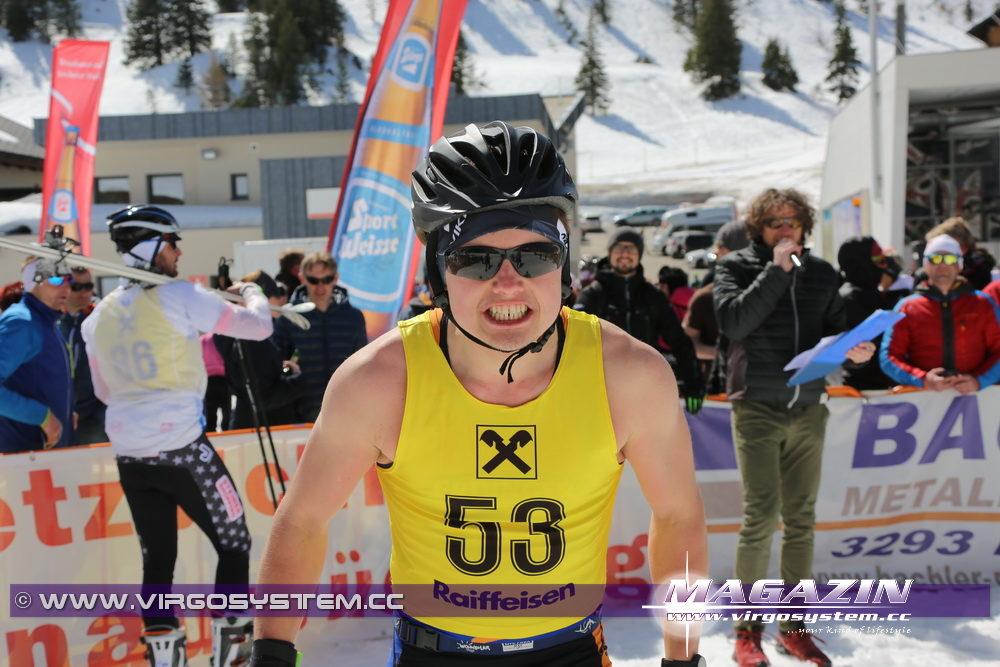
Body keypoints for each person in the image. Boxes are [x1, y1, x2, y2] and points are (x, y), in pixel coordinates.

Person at [251, 121, 708, 667]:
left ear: (564, 264)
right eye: (475, 258)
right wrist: (272, 654)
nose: (509, 283)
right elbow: (302, 520)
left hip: (571, 652)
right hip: (433, 655)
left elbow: (678, 515)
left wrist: (684, 659)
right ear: (438, 274)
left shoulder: (629, 374)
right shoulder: (378, 380)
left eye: (536, 255)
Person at [81, 205, 274, 667]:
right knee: (235, 543)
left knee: (158, 560)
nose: (179, 253)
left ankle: (165, 657)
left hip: (131, 454)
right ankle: (232, 650)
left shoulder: (97, 317)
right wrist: (253, 292)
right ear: (150, 248)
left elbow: (104, 390)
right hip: (183, 449)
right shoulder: (182, 295)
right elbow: (259, 326)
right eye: (172, 244)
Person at [713, 188, 874, 667]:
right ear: (759, 228)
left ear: (805, 226)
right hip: (757, 406)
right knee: (761, 517)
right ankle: (747, 632)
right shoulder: (736, 267)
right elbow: (733, 323)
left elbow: (835, 330)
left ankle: (794, 628)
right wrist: (776, 272)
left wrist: (854, 350)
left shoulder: (821, 272)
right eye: (776, 222)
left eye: (793, 222)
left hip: (808, 406)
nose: (786, 230)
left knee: (801, 519)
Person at [574, 227, 706, 413]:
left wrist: (693, 382)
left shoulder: (653, 296)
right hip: (603, 393)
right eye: (619, 248)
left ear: (639, 255)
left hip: (644, 390)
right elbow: (573, 342)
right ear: (610, 253)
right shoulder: (593, 295)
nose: (625, 254)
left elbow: (679, 341)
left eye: (631, 249)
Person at [880, 234, 1000, 393]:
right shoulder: (908, 306)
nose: (942, 265)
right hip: (923, 398)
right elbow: (889, 357)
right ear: (925, 265)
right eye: (935, 259)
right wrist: (922, 379)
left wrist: (979, 380)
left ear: (959, 265)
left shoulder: (982, 303)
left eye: (950, 259)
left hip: (977, 397)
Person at [271, 251, 367, 422]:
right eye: (313, 280)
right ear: (302, 278)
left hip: (346, 411)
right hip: (299, 415)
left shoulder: (353, 317)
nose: (320, 286)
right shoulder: (288, 317)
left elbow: (363, 366)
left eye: (327, 279)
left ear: (335, 278)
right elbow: (276, 365)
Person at [0, 257, 74, 453]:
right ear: (34, 282)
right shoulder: (22, 322)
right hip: (22, 453)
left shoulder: (47, 322)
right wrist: (42, 416)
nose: (66, 288)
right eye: (57, 280)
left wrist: (66, 410)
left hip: (41, 452)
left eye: (69, 280)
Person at [215, 270, 304, 429]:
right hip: (264, 427)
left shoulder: (235, 332)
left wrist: (281, 370)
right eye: (276, 295)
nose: (281, 300)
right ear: (261, 300)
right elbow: (262, 397)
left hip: (249, 424)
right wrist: (297, 380)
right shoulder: (253, 337)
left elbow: (254, 380)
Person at [836, 236, 910, 391]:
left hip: (886, 384)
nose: (884, 264)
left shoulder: (874, 293)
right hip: (866, 388)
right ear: (862, 261)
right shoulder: (851, 298)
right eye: (878, 259)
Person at [682, 220, 749, 394]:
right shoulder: (705, 297)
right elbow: (687, 345)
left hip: (759, 393)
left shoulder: (770, 293)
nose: (716, 253)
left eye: (720, 247)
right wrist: (723, 354)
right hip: (718, 392)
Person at [60, 266, 108, 445]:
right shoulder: (52, 319)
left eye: (88, 287)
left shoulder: (102, 317)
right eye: (76, 287)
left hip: (96, 413)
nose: (83, 293)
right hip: (60, 413)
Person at [925, 217, 995, 290]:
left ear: (963, 247)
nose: (942, 265)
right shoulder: (925, 275)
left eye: (946, 247)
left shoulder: (981, 271)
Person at [202, 333, 231, 432]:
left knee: (210, 411)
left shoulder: (203, 340)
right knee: (226, 410)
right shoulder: (224, 338)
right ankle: (227, 432)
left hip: (209, 380)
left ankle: (211, 433)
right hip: (224, 378)